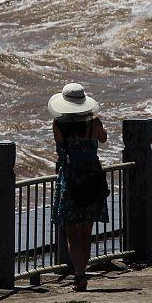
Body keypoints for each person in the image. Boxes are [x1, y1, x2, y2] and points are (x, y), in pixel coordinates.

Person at [48, 82, 109, 291]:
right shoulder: (94, 123)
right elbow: (104, 139)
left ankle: (80, 276)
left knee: (72, 234)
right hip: (92, 179)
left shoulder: (59, 125)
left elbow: (60, 147)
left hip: (70, 181)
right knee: (86, 232)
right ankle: (82, 274)